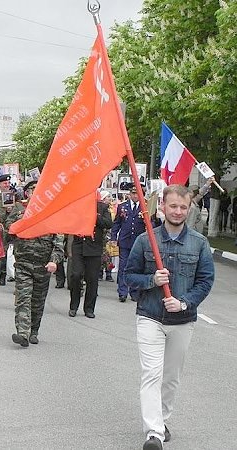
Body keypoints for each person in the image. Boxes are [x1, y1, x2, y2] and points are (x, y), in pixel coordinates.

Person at [125, 184, 214, 450]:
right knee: (151, 373)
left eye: (183, 207)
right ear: (162, 206)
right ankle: (154, 433)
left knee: (171, 377)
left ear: (189, 209)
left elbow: (205, 280)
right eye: (172, 206)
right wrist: (152, 279)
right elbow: (129, 276)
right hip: (150, 317)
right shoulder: (146, 240)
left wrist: (185, 303)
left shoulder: (199, 243)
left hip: (182, 322)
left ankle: (162, 419)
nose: (177, 211)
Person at [6, 180, 64, 347]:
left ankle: (34, 330)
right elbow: (8, 233)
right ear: (28, 194)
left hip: (43, 266)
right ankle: (22, 333)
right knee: (23, 298)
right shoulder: (19, 213)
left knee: (37, 301)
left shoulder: (52, 215)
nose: (35, 195)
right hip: (23, 264)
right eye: (32, 192)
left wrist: (54, 261)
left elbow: (58, 242)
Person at [68, 193, 112, 318]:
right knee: (75, 275)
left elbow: (108, 223)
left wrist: (95, 217)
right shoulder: (77, 206)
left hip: (94, 248)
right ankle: (73, 305)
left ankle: (89, 308)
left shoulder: (102, 207)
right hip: (79, 246)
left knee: (92, 279)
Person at [110, 184, 145, 302]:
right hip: (125, 241)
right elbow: (117, 223)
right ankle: (122, 291)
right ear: (129, 194)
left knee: (136, 267)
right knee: (123, 267)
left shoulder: (145, 207)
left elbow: (151, 225)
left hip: (139, 243)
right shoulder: (122, 207)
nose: (135, 196)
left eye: (137, 194)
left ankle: (134, 291)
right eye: (133, 194)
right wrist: (114, 237)